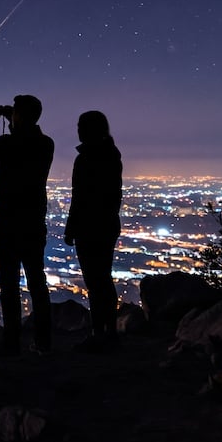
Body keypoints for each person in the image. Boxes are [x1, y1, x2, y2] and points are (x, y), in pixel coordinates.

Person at [0, 95, 55, 355]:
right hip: (34, 223)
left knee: (9, 287)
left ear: (19, 116)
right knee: (37, 283)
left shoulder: (9, 143)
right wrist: (12, 117)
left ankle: (12, 342)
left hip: (9, 224)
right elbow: (25, 137)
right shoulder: (45, 144)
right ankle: (44, 342)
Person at [64, 110, 123, 352]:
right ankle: (108, 330)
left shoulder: (88, 157)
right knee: (103, 279)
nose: (77, 130)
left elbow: (79, 197)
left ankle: (99, 332)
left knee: (95, 281)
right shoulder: (111, 154)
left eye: (82, 126)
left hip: (90, 227)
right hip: (105, 225)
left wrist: (72, 227)